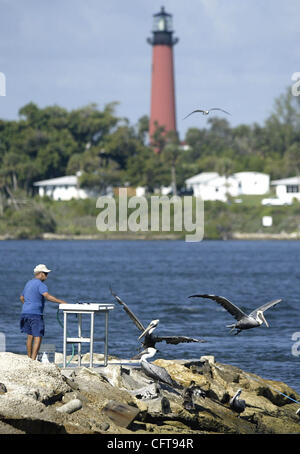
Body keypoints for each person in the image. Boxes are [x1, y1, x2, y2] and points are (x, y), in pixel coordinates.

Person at [20, 264, 69, 360]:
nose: (47, 276)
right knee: (38, 336)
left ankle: (29, 358)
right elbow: (47, 296)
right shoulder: (41, 285)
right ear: (41, 274)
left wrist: (28, 305)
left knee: (29, 336)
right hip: (36, 314)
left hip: (25, 312)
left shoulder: (28, 283)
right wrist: (62, 302)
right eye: (46, 273)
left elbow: (22, 298)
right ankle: (33, 359)